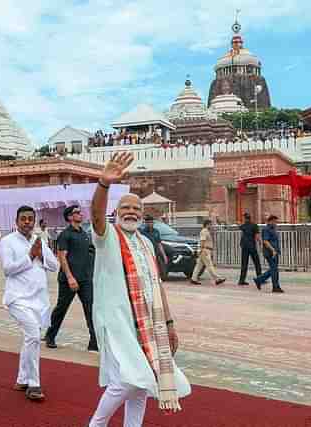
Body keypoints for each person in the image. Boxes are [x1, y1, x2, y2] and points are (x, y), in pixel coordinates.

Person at [88, 152, 191, 427]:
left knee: (144, 384)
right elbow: (96, 216)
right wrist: (104, 184)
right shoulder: (107, 237)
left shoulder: (145, 243)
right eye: (126, 208)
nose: (131, 212)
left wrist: (169, 323)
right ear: (116, 213)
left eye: (136, 209)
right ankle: (96, 424)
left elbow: (156, 285)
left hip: (148, 322)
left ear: (143, 215)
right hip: (118, 320)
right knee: (130, 378)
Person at [0, 206, 59, 401]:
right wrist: (30, 256)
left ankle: (22, 379)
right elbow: (8, 269)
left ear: (34, 221)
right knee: (33, 334)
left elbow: (55, 266)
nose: (27, 222)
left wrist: (41, 254)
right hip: (18, 299)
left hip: (39, 300)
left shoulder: (39, 240)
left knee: (30, 338)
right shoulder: (7, 242)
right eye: (23, 219)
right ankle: (34, 384)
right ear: (16, 222)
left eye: (30, 219)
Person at [44, 205, 97, 352]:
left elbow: (90, 253)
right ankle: (50, 335)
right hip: (69, 279)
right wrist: (70, 277)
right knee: (61, 309)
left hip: (85, 279)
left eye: (80, 212)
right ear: (69, 217)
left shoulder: (84, 234)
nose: (80, 214)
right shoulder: (65, 235)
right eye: (76, 213)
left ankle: (94, 341)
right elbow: (62, 257)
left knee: (90, 310)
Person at [254, 215, 284, 293]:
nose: (276, 223)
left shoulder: (273, 229)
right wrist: (273, 250)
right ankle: (275, 287)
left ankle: (259, 280)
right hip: (270, 252)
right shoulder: (266, 229)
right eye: (275, 221)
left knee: (274, 269)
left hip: (274, 252)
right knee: (274, 269)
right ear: (271, 221)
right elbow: (265, 241)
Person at [190, 220, 225, 286]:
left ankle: (193, 279)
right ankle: (217, 279)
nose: (211, 226)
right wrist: (202, 249)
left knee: (198, 266)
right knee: (209, 266)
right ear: (207, 224)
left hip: (204, 250)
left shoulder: (206, 231)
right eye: (210, 224)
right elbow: (202, 241)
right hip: (205, 250)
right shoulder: (204, 231)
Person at [139, 215, 169, 280]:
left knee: (160, 269)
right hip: (147, 255)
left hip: (156, 253)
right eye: (148, 222)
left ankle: (158, 279)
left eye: (151, 222)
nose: (150, 224)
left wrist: (164, 256)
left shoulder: (156, 231)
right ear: (145, 223)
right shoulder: (142, 232)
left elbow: (159, 244)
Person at [237, 212, 261, 286]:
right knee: (257, 263)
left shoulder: (243, 226)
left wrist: (239, 223)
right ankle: (260, 279)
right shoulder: (255, 225)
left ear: (245, 218)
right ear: (250, 218)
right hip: (252, 246)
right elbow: (257, 236)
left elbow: (240, 226)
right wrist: (261, 242)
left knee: (244, 264)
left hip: (244, 246)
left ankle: (241, 280)